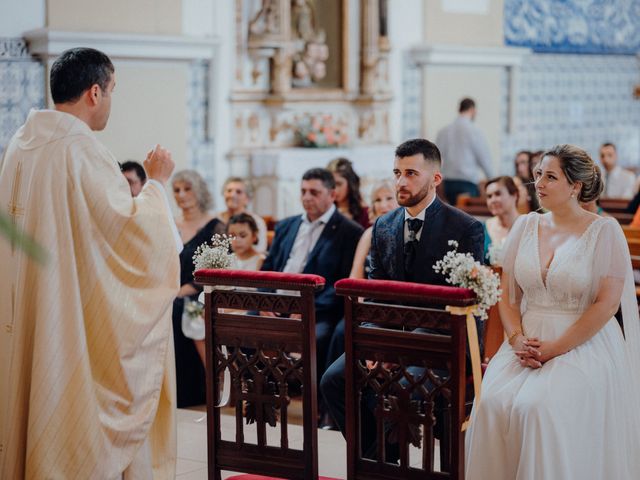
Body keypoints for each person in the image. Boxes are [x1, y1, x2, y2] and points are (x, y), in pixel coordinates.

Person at [0, 47, 181, 479]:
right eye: (113, 90)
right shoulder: (80, 149)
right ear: (94, 92)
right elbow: (131, 236)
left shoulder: (20, 144)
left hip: (27, 297)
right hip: (64, 308)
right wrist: (156, 184)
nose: (112, 102)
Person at [465, 144, 640, 479]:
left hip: (582, 343)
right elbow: (509, 295)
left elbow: (607, 303)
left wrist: (554, 349)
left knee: (536, 409)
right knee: (490, 404)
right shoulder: (525, 226)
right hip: (525, 342)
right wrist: (516, 339)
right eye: (537, 175)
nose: (539, 184)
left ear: (575, 186)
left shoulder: (604, 231)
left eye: (550, 176)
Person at [320, 138, 484, 460]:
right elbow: (376, 291)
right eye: (397, 173)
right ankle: (378, 462)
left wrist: (396, 347)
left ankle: (379, 463)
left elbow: (463, 303)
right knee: (333, 381)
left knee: (399, 386)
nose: (400, 182)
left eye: (411, 173)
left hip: (442, 340)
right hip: (391, 336)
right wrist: (375, 342)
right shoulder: (383, 225)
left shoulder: (466, 228)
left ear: (435, 178)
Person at [261, 167, 363, 382]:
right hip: (275, 304)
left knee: (319, 336)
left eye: (314, 192)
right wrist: (265, 301)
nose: (307, 198)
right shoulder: (286, 225)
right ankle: (257, 396)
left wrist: (307, 308)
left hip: (316, 311)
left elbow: (341, 284)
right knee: (239, 327)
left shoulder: (350, 232)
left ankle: (315, 405)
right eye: (303, 191)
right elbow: (268, 268)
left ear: (332, 195)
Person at [172, 169, 225, 408]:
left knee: (178, 309)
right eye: (176, 190)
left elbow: (220, 270)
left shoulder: (215, 226)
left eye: (187, 189)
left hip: (202, 295)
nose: (181, 195)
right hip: (171, 291)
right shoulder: (171, 225)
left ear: (199, 191)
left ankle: (193, 390)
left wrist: (183, 290)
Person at [436, 97, 494, 205]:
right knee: (466, 218)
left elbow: (436, 158)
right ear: (472, 110)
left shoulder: (444, 131)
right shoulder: (475, 131)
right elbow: (484, 158)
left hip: (448, 183)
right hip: (467, 183)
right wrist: (493, 181)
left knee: (452, 214)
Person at [349, 180, 397, 279]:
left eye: (389, 198)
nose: (383, 205)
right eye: (378, 200)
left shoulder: (409, 232)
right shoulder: (369, 234)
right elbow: (355, 276)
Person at [217, 176, 268, 253]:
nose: (232, 195)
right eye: (229, 191)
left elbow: (260, 250)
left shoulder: (257, 222)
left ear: (247, 199)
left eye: (238, 192)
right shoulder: (215, 219)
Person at [483, 176, 521, 264]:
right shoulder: (482, 228)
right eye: (489, 196)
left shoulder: (528, 226)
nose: (493, 200)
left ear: (514, 195)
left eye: (498, 194)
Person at [327, 157, 370, 228]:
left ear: (350, 183)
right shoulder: (324, 211)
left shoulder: (366, 213)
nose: (334, 189)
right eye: (330, 184)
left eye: (339, 184)